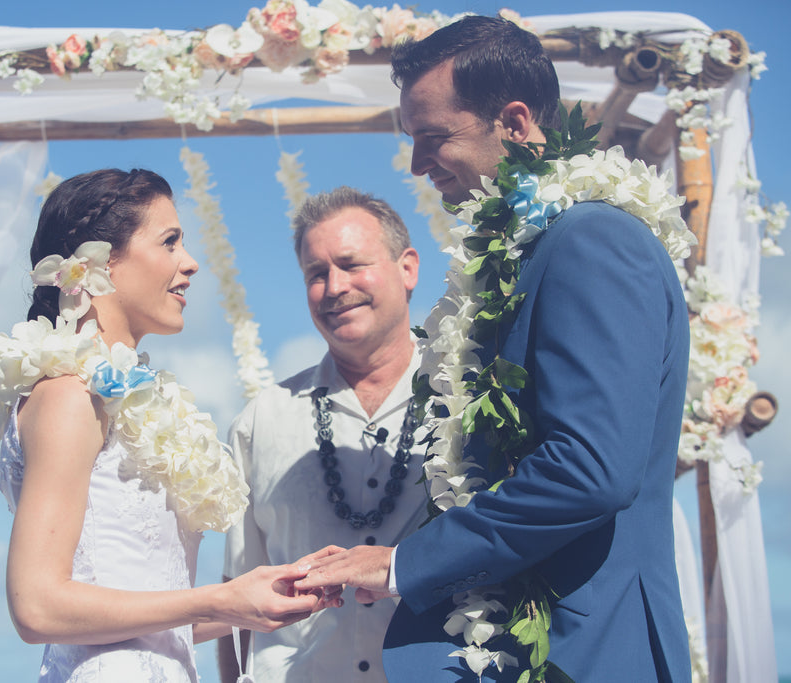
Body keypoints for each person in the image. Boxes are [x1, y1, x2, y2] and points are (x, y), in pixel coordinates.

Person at [294, 16, 693, 682]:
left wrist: (403, 563)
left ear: (512, 120)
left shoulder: (592, 239)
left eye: (433, 137)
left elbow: (591, 467)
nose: (418, 165)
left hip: (585, 650)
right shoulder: (518, 255)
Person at [0, 168, 338, 683]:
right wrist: (220, 596)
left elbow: (150, 616)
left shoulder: (119, 396)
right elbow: (37, 607)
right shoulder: (68, 397)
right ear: (99, 262)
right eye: (170, 242)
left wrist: (258, 597)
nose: (190, 263)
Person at [219, 187, 431, 682]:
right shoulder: (259, 423)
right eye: (316, 274)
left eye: (352, 264)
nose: (334, 287)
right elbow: (237, 598)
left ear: (408, 268)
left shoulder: (473, 403)